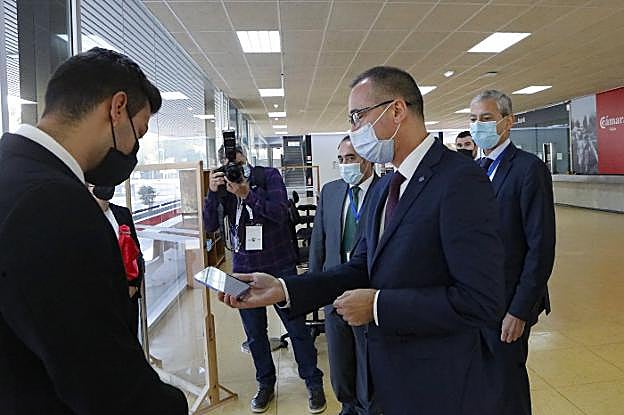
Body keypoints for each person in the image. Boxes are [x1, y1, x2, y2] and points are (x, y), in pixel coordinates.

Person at [218, 66, 506, 415]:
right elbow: (361, 267)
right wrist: (283, 288)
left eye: (358, 116)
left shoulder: (459, 180)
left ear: (396, 110)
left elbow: (481, 300)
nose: (354, 132)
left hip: (437, 380)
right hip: (385, 374)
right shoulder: (387, 187)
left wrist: (379, 306)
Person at [0, 48, 187, 414]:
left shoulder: (12, 174)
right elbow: (104, 382)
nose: (134, 150)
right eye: (139, 132)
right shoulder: (51, 203)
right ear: (117, 108)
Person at [203, 146, 326, 414]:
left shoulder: (268, 176)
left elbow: (280, 214)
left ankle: (313, 382)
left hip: (280, 265)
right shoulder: (223, 188)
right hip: (242, 268)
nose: (235, 171)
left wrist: (247, 193)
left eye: (238, 165)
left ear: (247, 161)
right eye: (229, 167)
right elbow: (210, 225)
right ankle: (265, 384)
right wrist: (212, 194)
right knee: (255, 335)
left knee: (297, 328)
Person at [469, 90, 556, 415]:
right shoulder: (473, 171)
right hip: (474, 300)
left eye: (486, 118)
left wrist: (519, 310)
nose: (478, 126)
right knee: (480, 383)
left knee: (507, 387)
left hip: (508, 302)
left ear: (508, 122)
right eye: (473, 119)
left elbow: (540, 246)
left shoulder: (528, 169)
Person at [308, 136, 380, 415]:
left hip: (368, 292)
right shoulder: (331, 192)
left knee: (368, 360)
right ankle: (347, 405)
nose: (345, 164)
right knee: (340, 362)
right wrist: (314, 287)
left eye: (351, 158)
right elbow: (319, 242)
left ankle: (367, 407)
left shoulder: (386, 191)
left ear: (367, 159)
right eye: (341, 159)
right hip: (334, 292)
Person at [90, 184, 145, 338]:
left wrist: (134, 285)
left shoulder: (122, 213)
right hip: (102, 297)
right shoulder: (83, 218)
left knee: (131, 337)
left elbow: (136, 251)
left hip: (128, 293)